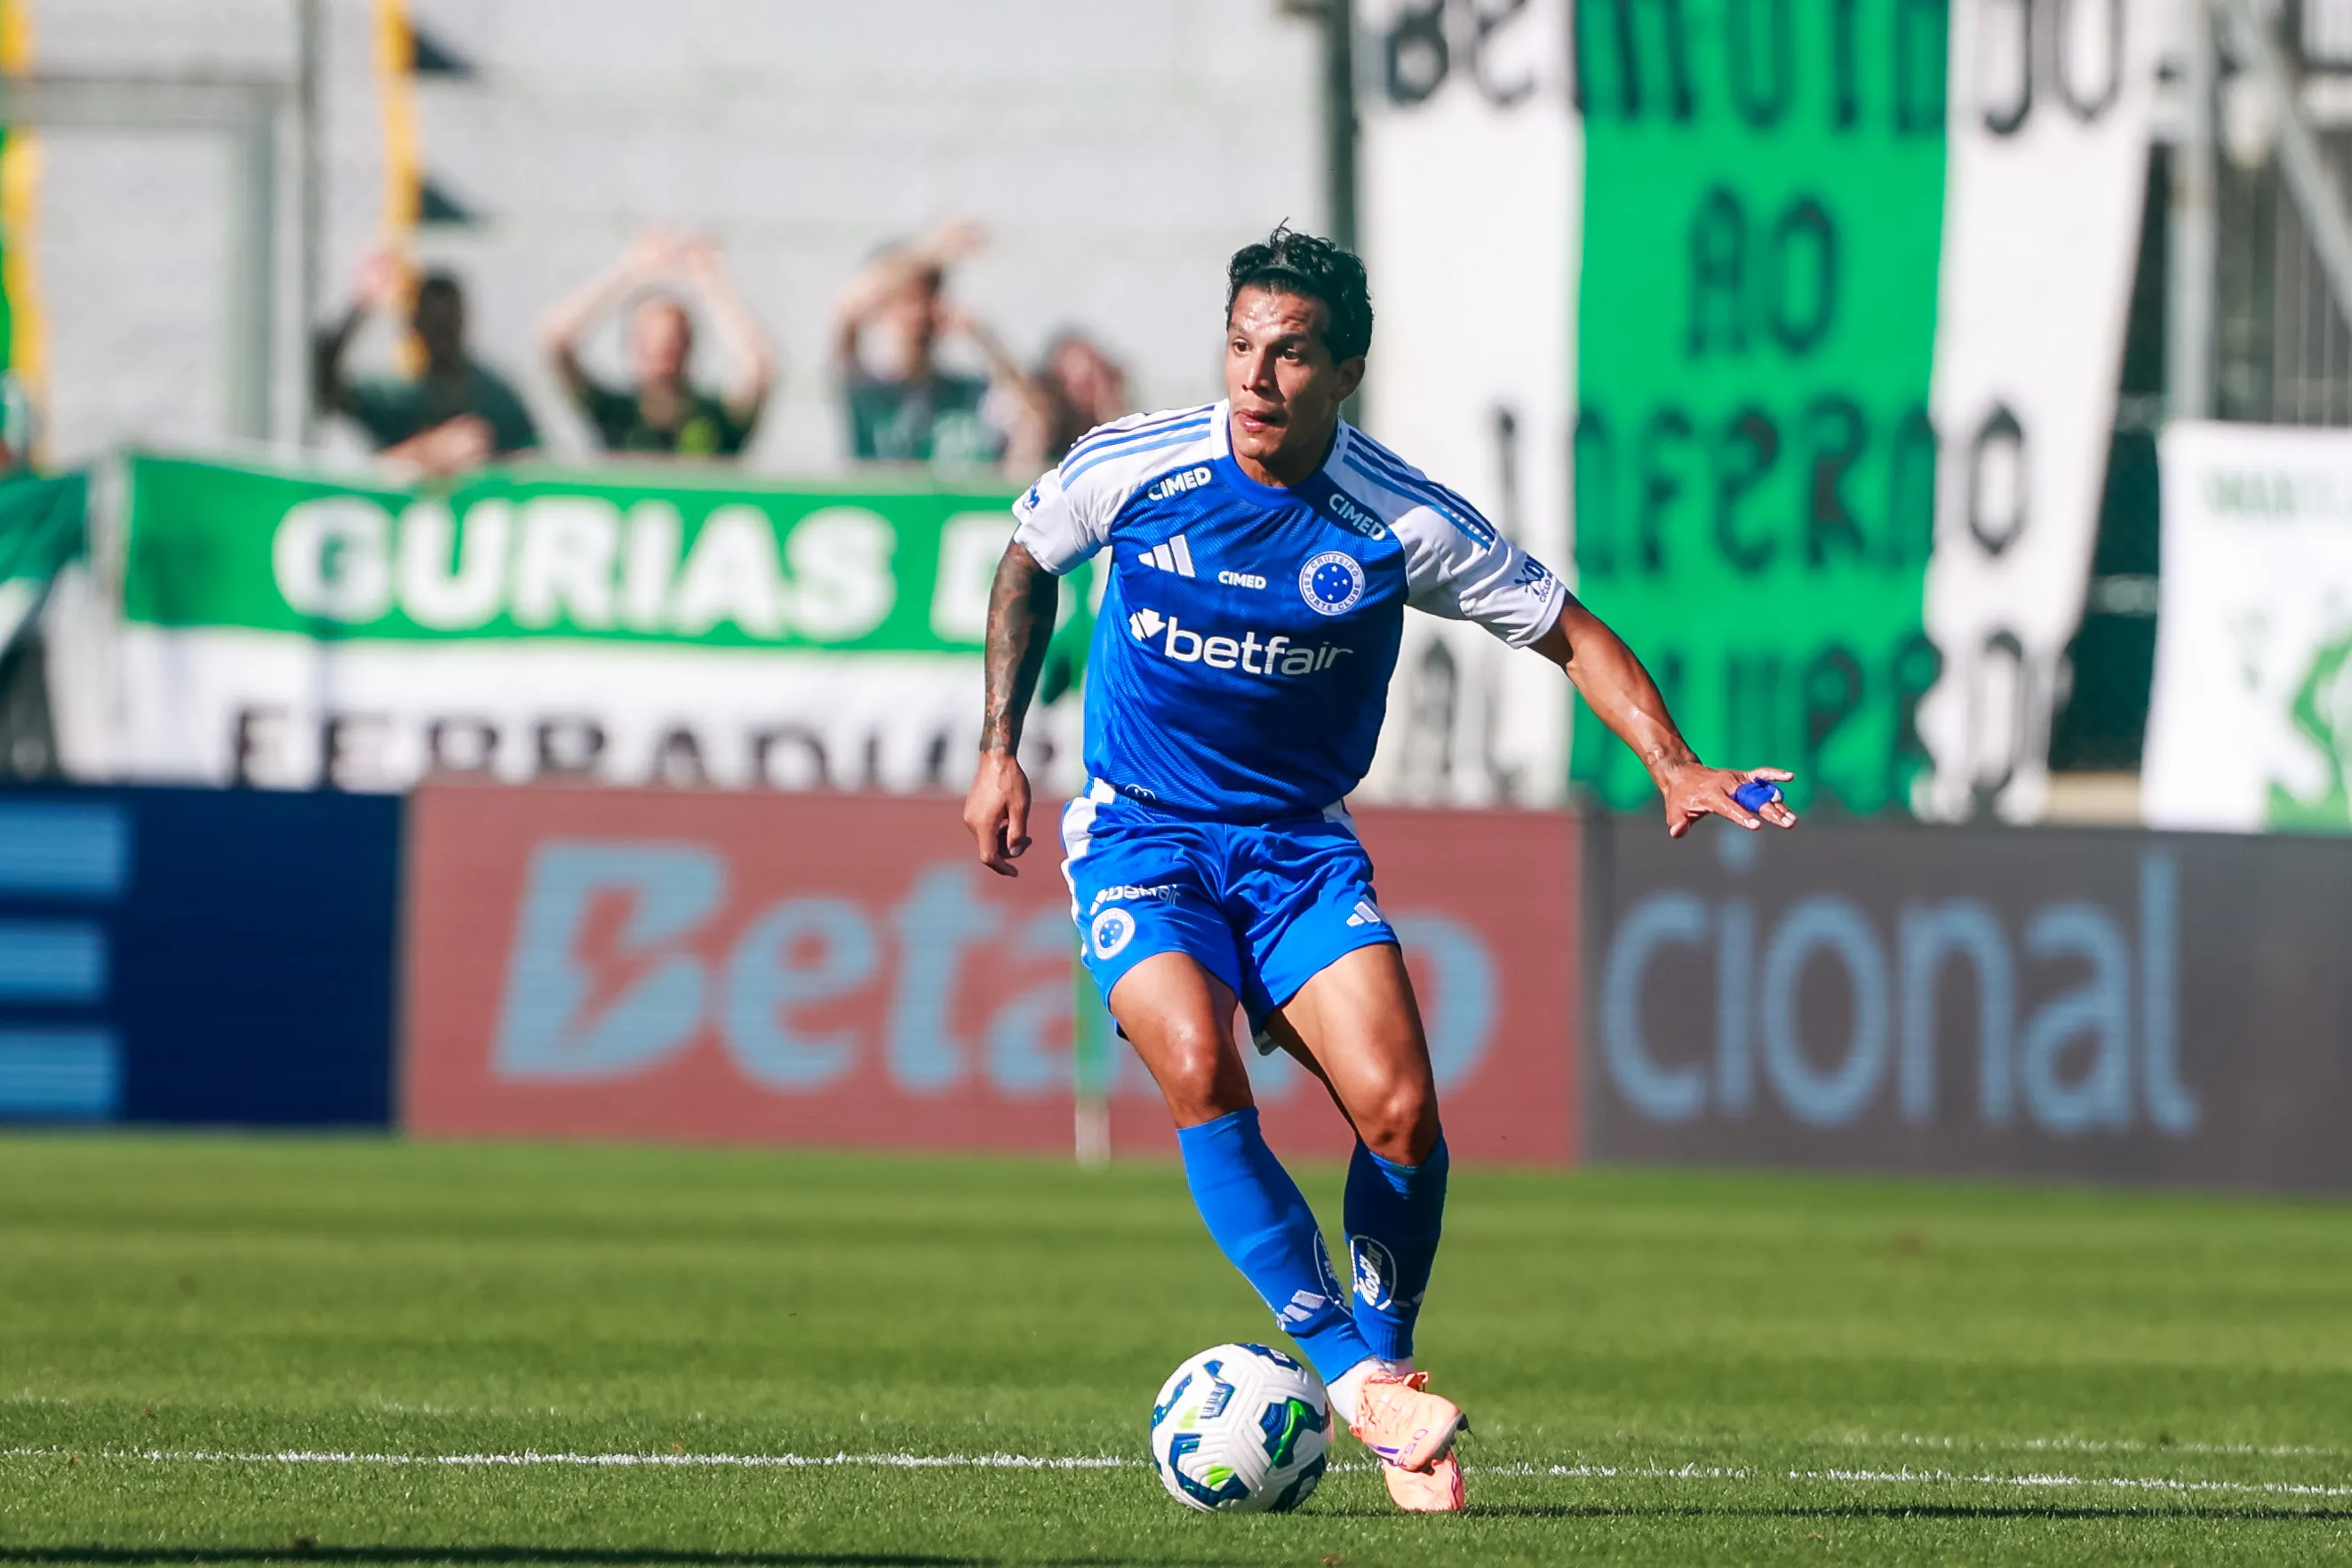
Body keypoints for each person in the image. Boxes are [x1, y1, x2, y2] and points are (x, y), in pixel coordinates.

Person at [961, 227, 1796, 1514]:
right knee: (1193, 1059)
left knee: (1400, 1114)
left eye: (1288, 354)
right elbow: (1027, 562)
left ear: (1343, 371)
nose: (1254, 378)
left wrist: (1672, 764)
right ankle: (1354, 1382)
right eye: (1239, 345)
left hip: (1296, 849)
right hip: (1141, 834)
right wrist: (998, 749)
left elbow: (1566, 633)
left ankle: (1389, 1360)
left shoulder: (1398, 519)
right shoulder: (1137, 465)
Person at [538, 232, 774, 458]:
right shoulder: (616, 415)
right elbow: (556, 340)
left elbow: (759, 367)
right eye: (649, 341)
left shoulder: (716, 418)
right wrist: (629, 272)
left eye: (671, 341)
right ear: (632, 344)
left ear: (689, 345)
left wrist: (712, 284)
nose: (660, 351)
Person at [833, 219, 1043, 466]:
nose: (918, 313)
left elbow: (1034, 417)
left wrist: (984, 339)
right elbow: (845, 311)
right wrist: (928, 252)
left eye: (927, 300)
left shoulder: (971, 394)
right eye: (906, 301)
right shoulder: (866, 389)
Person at [314, 251, 538, 475]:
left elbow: (534, 458)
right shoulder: (399, 396)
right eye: (434, 322)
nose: (442, 333)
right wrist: (361, 305)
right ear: (414, 324)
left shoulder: (493, 396)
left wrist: (486, 462)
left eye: (448, 321)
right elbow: (325, 386)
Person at [1007, 330, 1132, 472]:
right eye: (1081, 386)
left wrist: (1109, 406)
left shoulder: (1104, 413)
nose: (1087, 394)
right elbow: (1019, 472)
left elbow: (1126, 465)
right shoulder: (1045, 416)